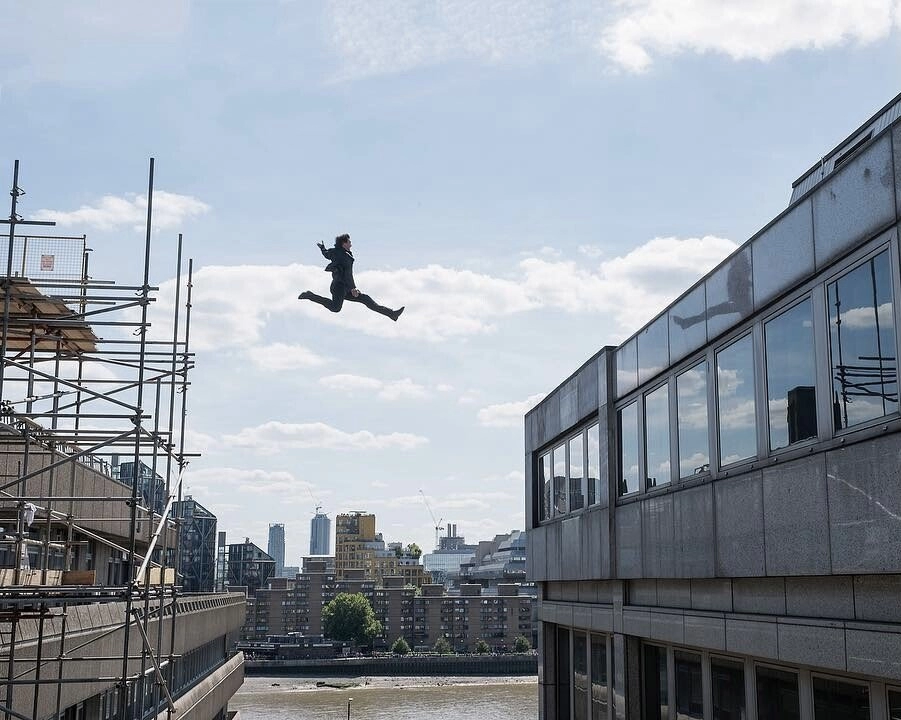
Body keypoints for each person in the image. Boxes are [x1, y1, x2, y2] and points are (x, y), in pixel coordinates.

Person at [298, 233, 405, 321]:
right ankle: (310, 295)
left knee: (365, 299)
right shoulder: (345, 256)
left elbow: (327, 254)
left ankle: (392, 314)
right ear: (344, 243)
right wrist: (353, 288)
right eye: (349, 242)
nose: (351, 244)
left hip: (342, 286)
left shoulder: (336, 252)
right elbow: (348, 274)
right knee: (336, 308)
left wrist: (322, 248)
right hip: (340, 286)